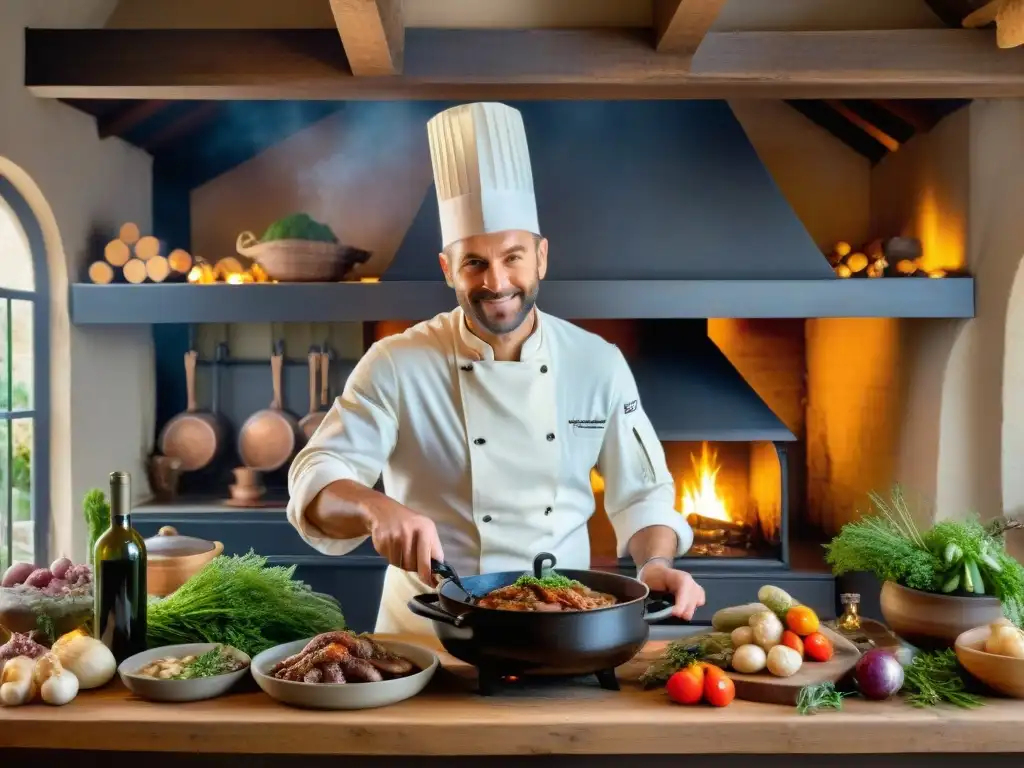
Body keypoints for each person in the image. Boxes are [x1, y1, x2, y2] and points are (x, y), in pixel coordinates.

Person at [287, 102, 705, 635]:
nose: (497, 281)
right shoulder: (397, 362)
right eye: (474, 263)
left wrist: (656, 565)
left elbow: (643, 493)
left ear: (542, 258)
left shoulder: (597, 362)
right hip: (427, 636)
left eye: (513, 257)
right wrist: (375, 508)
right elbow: (315, 475)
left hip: (562, 629)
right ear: (447, 269)